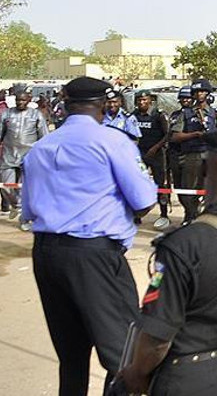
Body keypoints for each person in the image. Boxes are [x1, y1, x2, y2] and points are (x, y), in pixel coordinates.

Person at [115, 129, 217, 396]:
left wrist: (134, 374)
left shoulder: (181, 244)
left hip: (187, 376)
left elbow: (158, 338)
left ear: (204, 169)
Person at [22, 76, 157, 395]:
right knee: (125, 354)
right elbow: (144, 200)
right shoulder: (112, 141)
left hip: (47, 254)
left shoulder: (41, 148)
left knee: (71, 357)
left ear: (66, 105)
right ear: (103, 105)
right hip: (93, 254)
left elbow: (27, 210)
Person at [171, 79, 217, 225]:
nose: (200, 94)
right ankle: (190, 215)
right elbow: (175, 136)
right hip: (192, 155)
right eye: (197, 92)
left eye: (203, 91)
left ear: (208, 93)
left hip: (211, 155)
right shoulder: (185, 113)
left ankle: (207, 217)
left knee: (212, 188)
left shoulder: (214, 113)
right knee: (189, 189)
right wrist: (195, 135)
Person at [1, 86, 49, 231]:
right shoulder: (6, 114)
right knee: (5, 186)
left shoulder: (36, 115)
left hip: (29, 155)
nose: (20, 103)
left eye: (23, 100)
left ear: (29, 100)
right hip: (9, 155)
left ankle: (24, 218)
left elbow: (44, 136)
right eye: (18, 100)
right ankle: (16, 206)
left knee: (25, 189)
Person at [133, 90, 172, 230]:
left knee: (160, 185)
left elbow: (167, 134)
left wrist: (155, 148)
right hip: (140, 154)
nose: (142, 102)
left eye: (145, 100)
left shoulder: (158, 115)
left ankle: (164, 214)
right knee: (137, 184)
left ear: (150, 101)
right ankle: (137, 215)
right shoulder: (134, 115)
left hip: (157, 155)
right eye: (139, 100)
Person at [166, 86, 193, 214]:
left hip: (191, 155)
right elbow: (170, 134)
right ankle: (188, 213)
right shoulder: (175, 115)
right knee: (178, 188)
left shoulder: (196, 114)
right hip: (175, 154)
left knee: (191, 187)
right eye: (182, 98)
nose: (185, 100)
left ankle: (191, 214)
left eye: (188, 98)